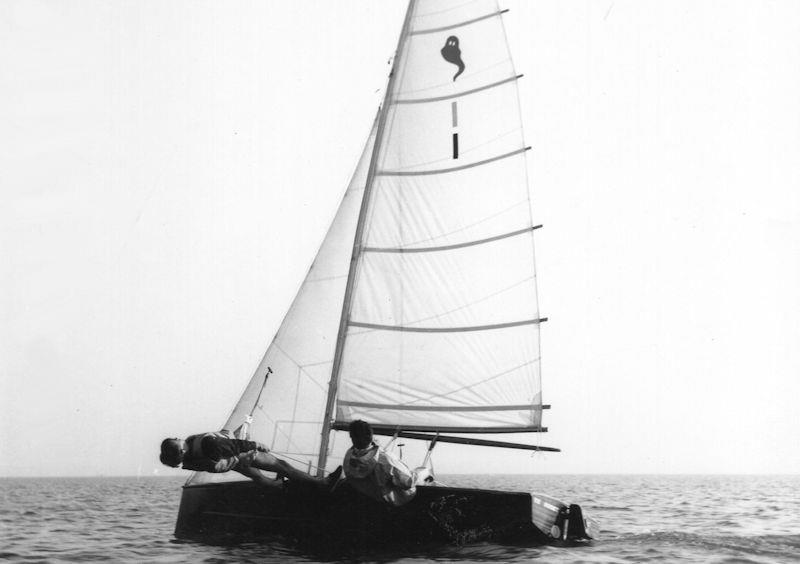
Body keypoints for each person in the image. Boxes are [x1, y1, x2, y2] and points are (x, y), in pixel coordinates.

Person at [160, 429, 341, 490]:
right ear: (180, 447)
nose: (178, 437)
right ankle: (323, 483)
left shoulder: (188, 459)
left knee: (260, 478)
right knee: (283, 466)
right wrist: (256, 444)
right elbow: (235, 446)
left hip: (234, 465)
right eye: (176, 439)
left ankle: (281, 488)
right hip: (241, 457)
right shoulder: (207, 443)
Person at [343, 420, 432, 506]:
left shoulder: (349, 456)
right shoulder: (386, 460)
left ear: (352, 437)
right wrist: (423, 471)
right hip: (394, 501)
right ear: (371, 435)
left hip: (367, 498)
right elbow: (408, 483)